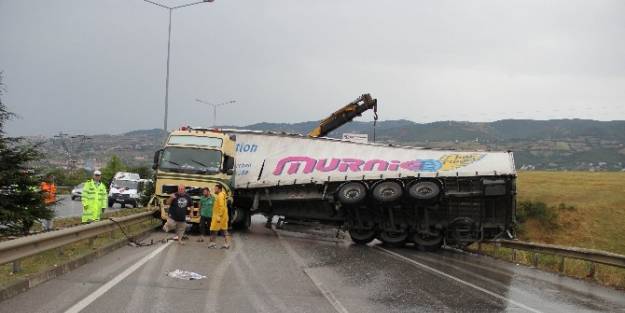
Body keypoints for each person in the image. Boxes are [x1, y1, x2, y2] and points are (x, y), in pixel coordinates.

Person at [208, 184, 230, 249]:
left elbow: (221, 207)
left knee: (213, 229)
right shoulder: (222, 195)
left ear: (219, 189)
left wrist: (219, 216)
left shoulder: (220, 196)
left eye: (216, 189)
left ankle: (212, 243)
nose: (214, 189)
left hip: (219, 216)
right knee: (224, 230)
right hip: (223, 216)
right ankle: (227, 243)